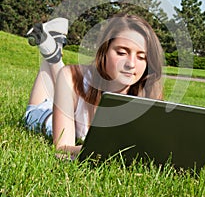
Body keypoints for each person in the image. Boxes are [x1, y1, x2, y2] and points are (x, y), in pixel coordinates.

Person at [25, 13, 164, 157]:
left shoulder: (148, 91)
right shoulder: (71, 76)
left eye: (141, 57)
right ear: (104, 51)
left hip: (69, 104)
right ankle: (50, 50)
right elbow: (62, 147)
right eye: (122, 53)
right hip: (45, 115)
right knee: (33, 111)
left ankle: (52, 46)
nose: (131, 64)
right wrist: (103, 152)